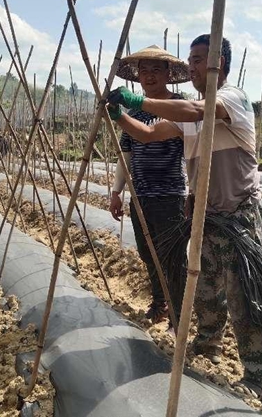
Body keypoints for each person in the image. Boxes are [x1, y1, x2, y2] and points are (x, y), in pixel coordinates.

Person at [106, 35, 262, 400]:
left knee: (245, 294)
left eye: (199, 60)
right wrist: (120, 116)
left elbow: (198, 111)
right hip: (206, 216)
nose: (193, 66)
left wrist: (136, 99)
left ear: (219, 63)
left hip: (238, 214)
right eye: (191, 60)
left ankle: (260, 376)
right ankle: (208, 345)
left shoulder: (230, 99)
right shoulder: (190, 113)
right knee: (207, 288)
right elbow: (147, 135)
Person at [109, 45, 189, 329]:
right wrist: (117, 191)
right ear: (137, 77)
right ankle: (160, 303)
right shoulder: (134, 111)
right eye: (144, 71)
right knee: (148, 254)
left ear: (168, 74)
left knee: (174, 257)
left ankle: (179, 318)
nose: (150, 76)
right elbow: (126, 153)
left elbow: (151, 138)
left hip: (171, 195)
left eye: (156, 70)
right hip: (141, 195)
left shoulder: (179, 107)